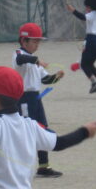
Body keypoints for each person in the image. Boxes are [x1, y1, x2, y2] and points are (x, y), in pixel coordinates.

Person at [14, 22, 65, 178]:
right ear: (24, 41)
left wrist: (56, 77)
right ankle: (19, 167)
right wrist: (36, 60)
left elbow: (46, 79)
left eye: (38, 42)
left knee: (41, 130)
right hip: (24, 99)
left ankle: (43, 166)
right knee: (26, 132)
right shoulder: (18, 54)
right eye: (34, 41)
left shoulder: (35, 62)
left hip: (36, 99)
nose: (37, 45)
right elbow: (21, 59)